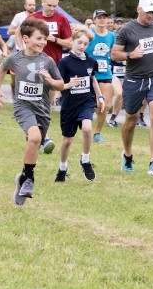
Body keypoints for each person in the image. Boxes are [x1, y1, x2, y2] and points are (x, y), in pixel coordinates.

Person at [1, 19, 77, 205]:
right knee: (34, 138)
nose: (43, 42)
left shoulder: (48, 61)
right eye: (39, 38)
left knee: (34, 143)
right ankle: (29, 179)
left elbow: (60, 84)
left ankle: (23, 178)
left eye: (44, 39)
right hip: (22, 106)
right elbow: (2, 67)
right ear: (26, 39)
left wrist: (50, 79)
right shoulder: (16, 58)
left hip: (42, 109)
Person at [112, 0, 153, 175]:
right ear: (139, 10)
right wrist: (130, 55)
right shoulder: (126, 30)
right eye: (147, 11)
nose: (150, 15)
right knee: (131, 120)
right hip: (134, 79)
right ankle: (127, 154)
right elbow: (114, 54)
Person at [55, 28, 104, 182]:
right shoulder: (64, 62)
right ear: (72, 41)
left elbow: (93, 79)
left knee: (87, 129)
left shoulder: (91, 62)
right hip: (69, 105)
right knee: (67, 141)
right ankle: (62, 168)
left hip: (86, 102)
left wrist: (100, 96)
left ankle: (85, 160)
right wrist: (69, 85)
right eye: (79, 42)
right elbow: (57, 85)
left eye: (85, 43)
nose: (82, 46)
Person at [88, 10, 116, 142]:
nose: (102, 20)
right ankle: (84, 125)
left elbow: (113, 53)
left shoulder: (112, 36)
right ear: (94, 19)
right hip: (89, 72)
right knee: (90, 104)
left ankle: (97, 134)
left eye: (104, 17)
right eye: (99, 18)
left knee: (104, 104)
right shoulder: (89, 33)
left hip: (105, 72)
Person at [107, 17, 128, 128]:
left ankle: (113, 118)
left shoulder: (130, 45)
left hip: (125, 74)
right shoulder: (112, 44)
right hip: (111, 72)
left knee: (120, 96)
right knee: (117, 94)